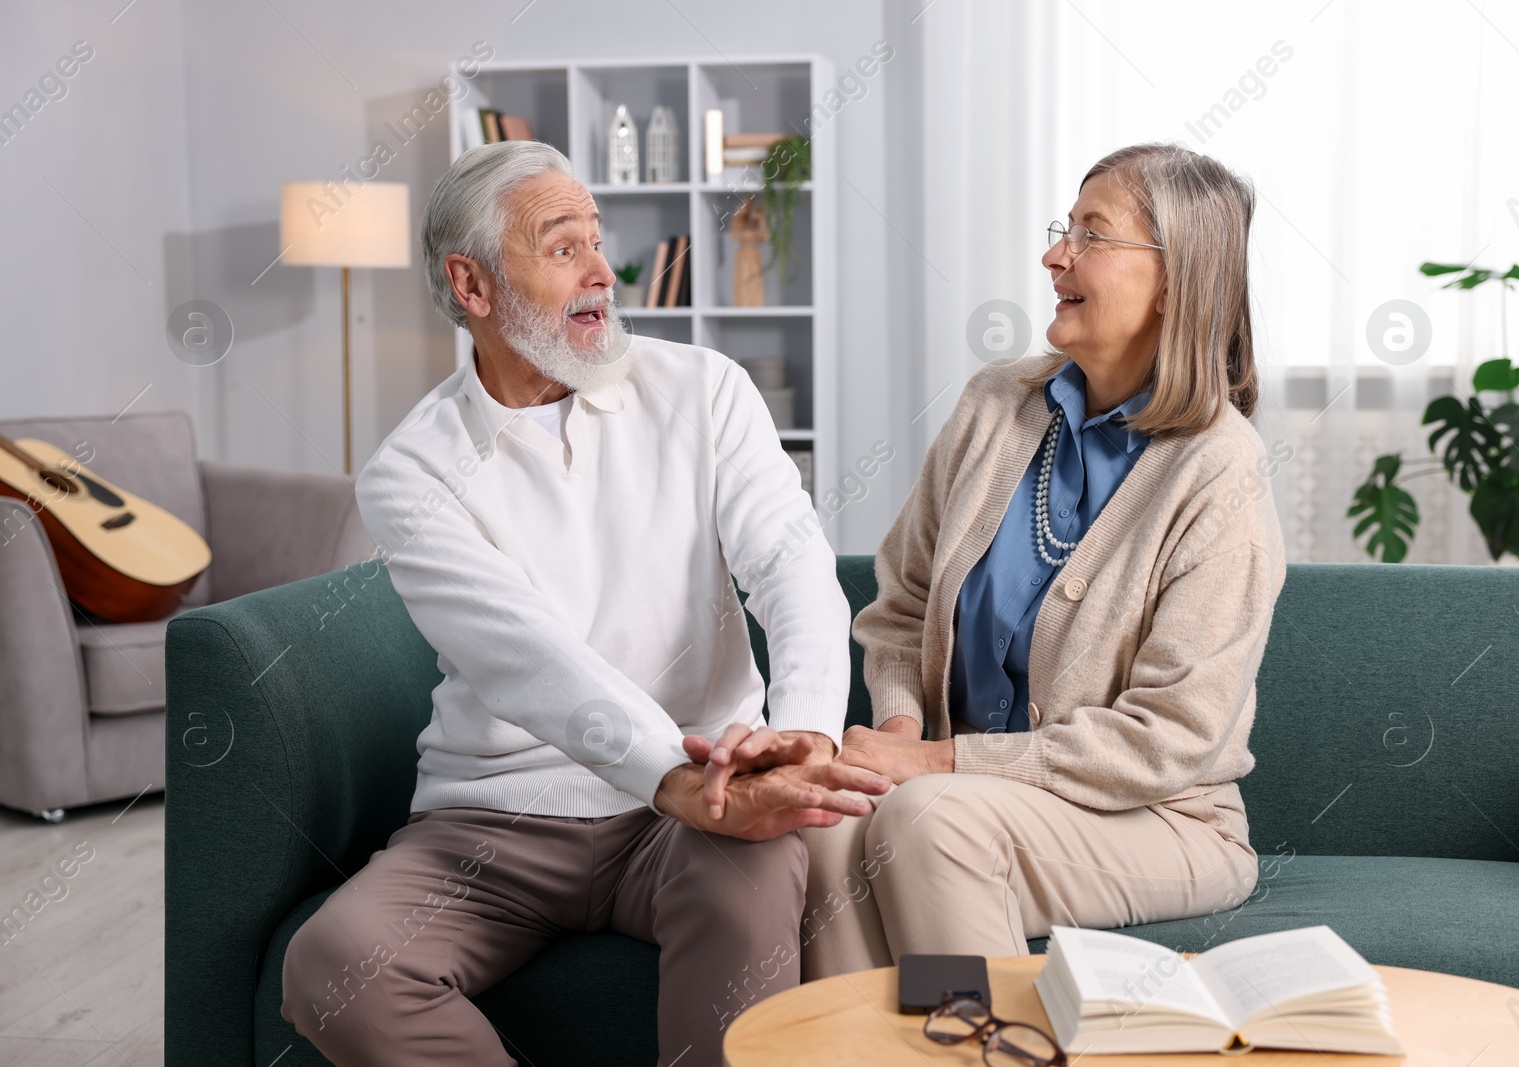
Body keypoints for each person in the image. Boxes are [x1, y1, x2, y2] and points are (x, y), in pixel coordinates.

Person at [279, 140, 889, 1067]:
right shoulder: (411, 469)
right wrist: (670, 775)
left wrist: (804, 730)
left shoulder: (705, 390)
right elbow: (527, 658)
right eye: (564, 247)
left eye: (598, 241)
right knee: (332, 963)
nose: (604, 270)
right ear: (471, 285)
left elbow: (793, 565)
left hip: (705, 798)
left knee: (747, 892)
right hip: (493, 816)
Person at [801, 143, 1287, 979]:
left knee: (932, 821)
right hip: (956, 793)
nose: (1055, 253)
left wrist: (939, 762)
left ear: (1174, 281)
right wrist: (898, 733)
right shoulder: (999, 404)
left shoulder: (1220, 469)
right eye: (1066, 227)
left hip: (1159, 816)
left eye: (1093, 235)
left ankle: (982, 1041)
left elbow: (1167, 738)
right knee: (831, 825)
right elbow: (903, 606)